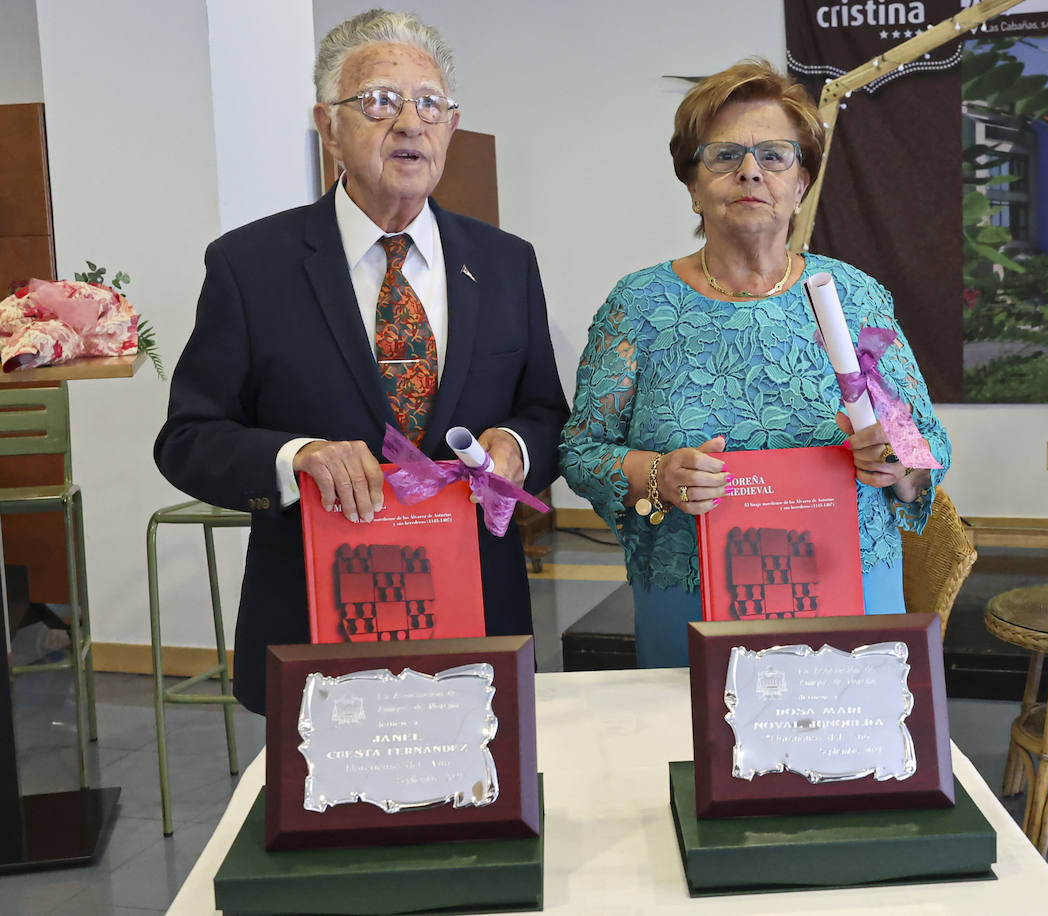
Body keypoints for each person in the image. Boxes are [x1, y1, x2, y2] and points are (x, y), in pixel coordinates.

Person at [154, 9, 568, 714]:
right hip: (316, 626)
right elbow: (189, 440)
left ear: (451, 126)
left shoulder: (505, 263)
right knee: (328, 819)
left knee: (480, 818)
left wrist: (519, 447)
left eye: (429, 104)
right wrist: (298, 457)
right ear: (328, 126)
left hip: (476, 619)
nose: (409, 122)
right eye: (379, 100)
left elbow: (546, 414)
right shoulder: (250, 267)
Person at [560, 59, 950, 668]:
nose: (750, 171)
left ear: (801, 182)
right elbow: (584, 450)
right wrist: (657, 472)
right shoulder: (639, 305)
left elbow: (924, 445)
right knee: (693, 757)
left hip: (847, 589)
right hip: (690, 597)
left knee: (843, 758)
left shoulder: (854, 297)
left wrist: (893, 456)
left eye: (774, 155)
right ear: (692, 183)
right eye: (723, 156)